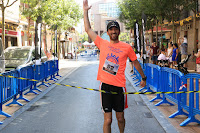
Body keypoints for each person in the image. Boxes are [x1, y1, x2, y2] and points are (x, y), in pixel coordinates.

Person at [83, 0, 146, 133]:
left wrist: (143, 77)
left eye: (115, 29)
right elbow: (88, 29)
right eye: (111, 29)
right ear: (108, 31)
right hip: (105, 86)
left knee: (120, 118)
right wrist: (85, 11)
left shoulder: (126, 47)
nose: (113, 31)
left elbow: (135, 62)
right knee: (108, 120)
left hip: (119, 88)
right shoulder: (102, 43)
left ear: (119, 31)